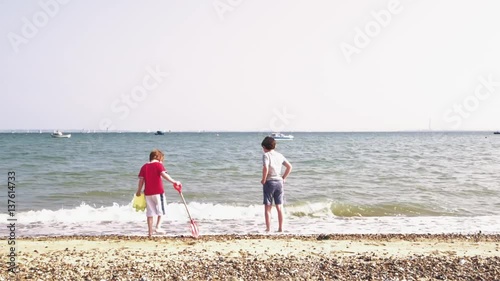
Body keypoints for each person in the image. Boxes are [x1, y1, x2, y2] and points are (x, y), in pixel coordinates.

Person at [136, 149, 181, 237]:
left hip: (148, 193)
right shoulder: (158, 165)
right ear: (158, 158)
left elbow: (141, 180)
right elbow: (165, 175)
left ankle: (150, 233)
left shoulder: (144, 166)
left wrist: (138, 191)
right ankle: (158, 227)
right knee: (162, 210)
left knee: (150, 213)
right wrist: (174, 182)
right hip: (158, 192)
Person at [260, 136, 292, 232]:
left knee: (268, 206)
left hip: (270, 182)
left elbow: (266, 167)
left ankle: (268, 228)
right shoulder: (279, 155)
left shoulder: (266, 155)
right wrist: (283, 178)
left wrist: (263, 179)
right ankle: (280, 228)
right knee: (279, 206)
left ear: (264, 147)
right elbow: (289, 167)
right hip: (279, 182)